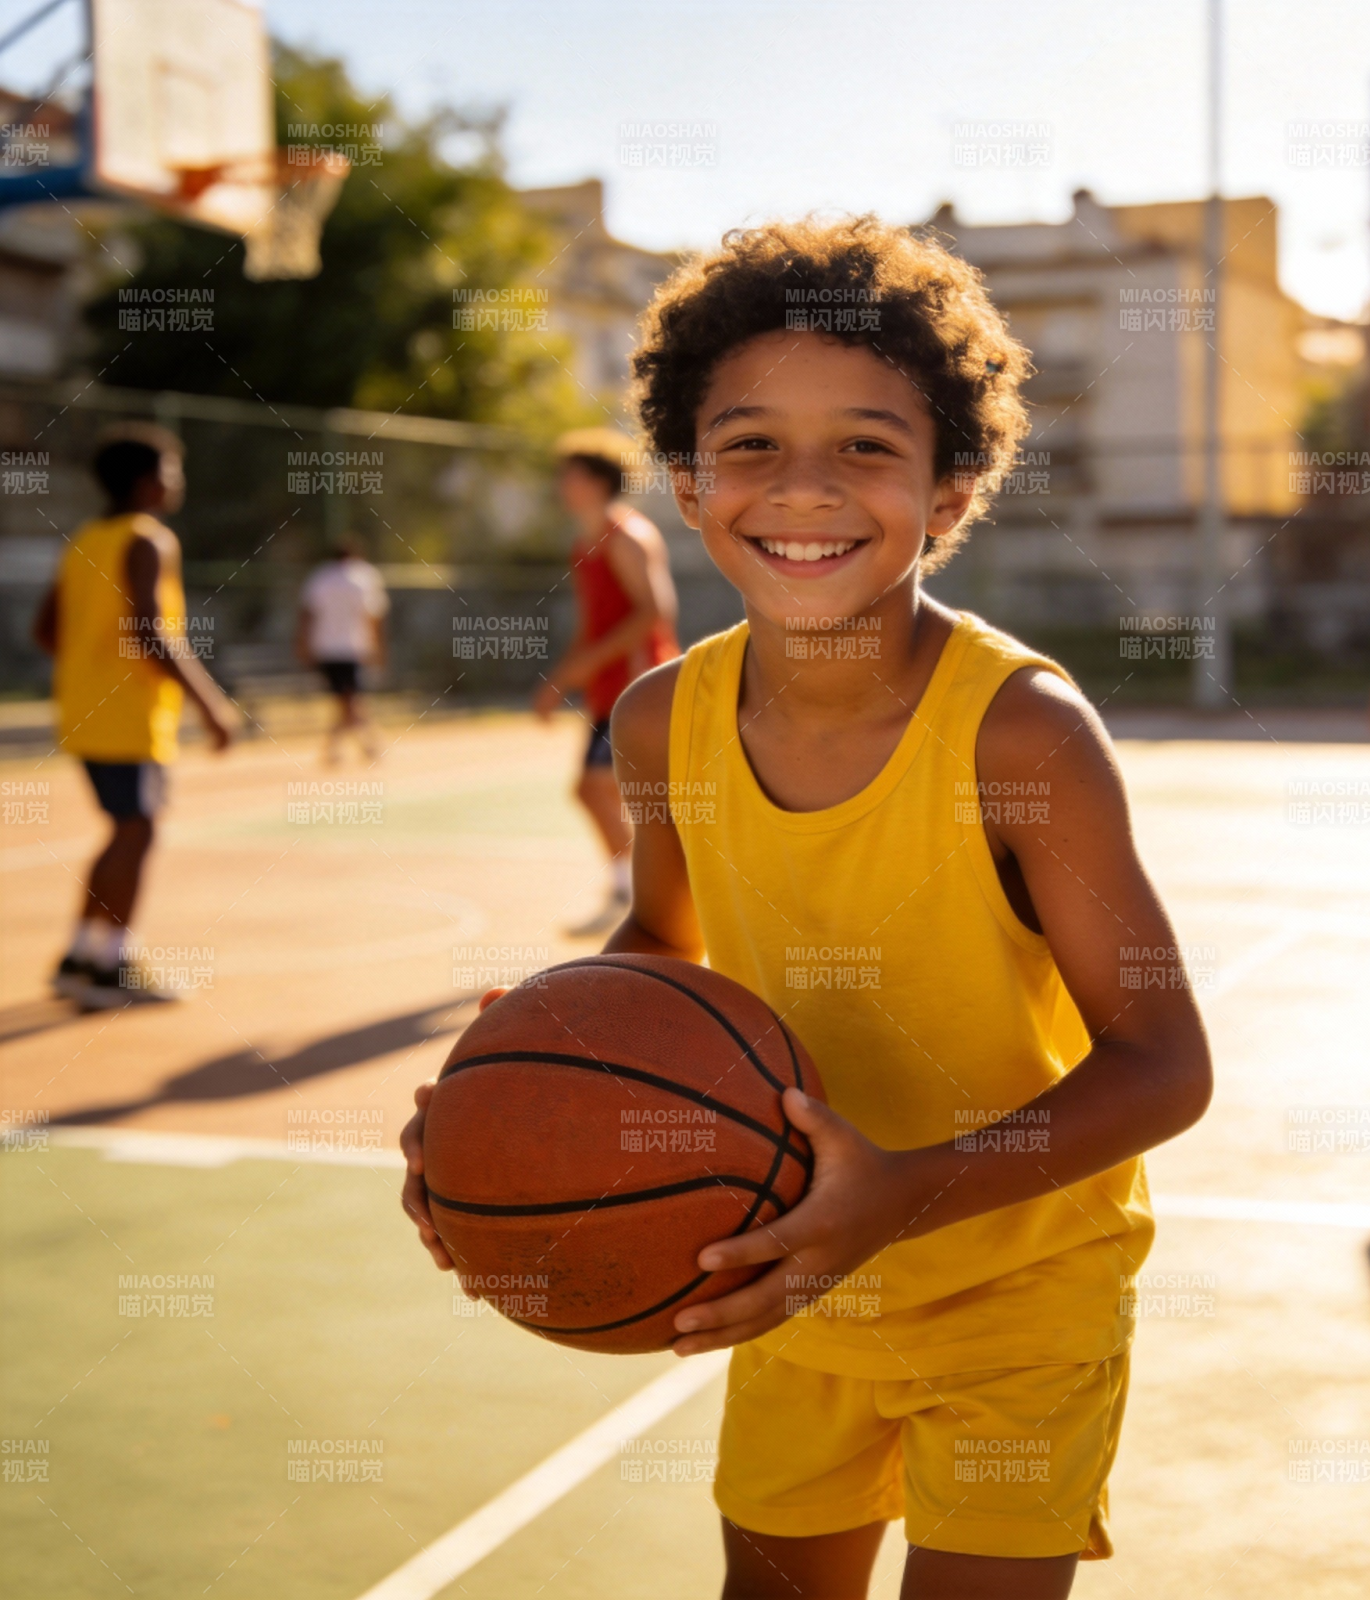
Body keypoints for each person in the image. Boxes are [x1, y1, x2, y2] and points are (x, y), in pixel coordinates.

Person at [403, 218, 1212, 1599]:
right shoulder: (662, 720)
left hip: (1015, 1291)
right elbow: (662, 942)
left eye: (867, 447)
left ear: (952, 493)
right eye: (754, 443)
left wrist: (896, 1195)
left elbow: (1164, 1065)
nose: (805, 487)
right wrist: (524, 1077)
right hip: (790, 1274)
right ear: (688, 480)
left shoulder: (1021, 738)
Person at [32, 424, 238, 1008]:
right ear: (148, 483)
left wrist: (90, 662)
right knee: (137, 830)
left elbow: (46, 630)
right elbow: (153, 632)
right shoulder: (149, 539)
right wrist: (212, 705)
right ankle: (111, 967)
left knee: (124, 829)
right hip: (127, 716)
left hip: (82, 709)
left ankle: (79, 956)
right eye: (172, 471)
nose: (178, 482)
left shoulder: (84, 539)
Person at [534, 427, 678, 937]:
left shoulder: (628, 537)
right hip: (607, 689)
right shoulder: (584, 545)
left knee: (600, 787)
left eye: (571, 475)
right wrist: (560, 680)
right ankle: (635, 882)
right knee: (599, 790)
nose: (562, 484)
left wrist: (584, 665)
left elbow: (654, 613)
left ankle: (640, 887)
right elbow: (591, 626)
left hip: (639, 686)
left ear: (598, 483)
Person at [295, 535, 388, 764]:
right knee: (350, 700)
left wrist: (303, 644)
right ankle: (366, 744)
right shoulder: (364, 576)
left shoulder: (321, 577)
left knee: (346, 700)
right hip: (353, 648)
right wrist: (377, 647)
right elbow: (372, 617)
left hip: (326, 648)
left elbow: (307, 615)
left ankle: (348, 747)